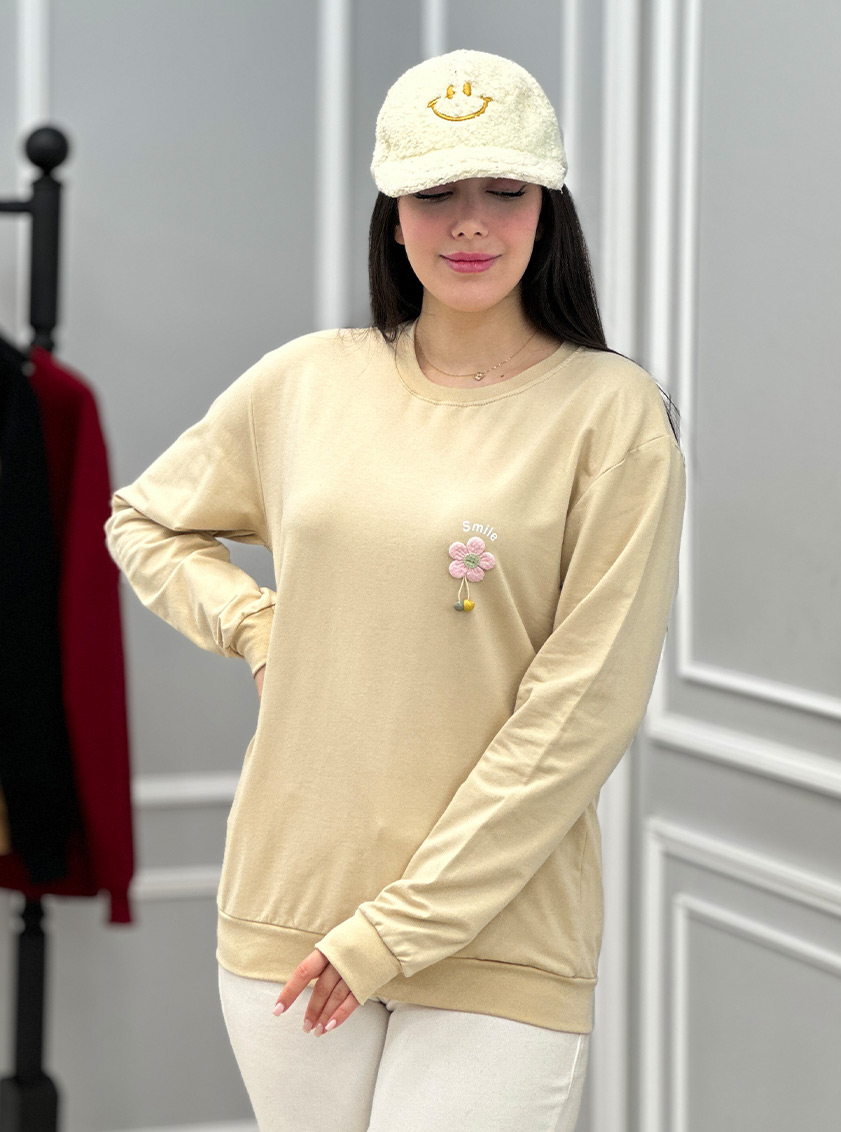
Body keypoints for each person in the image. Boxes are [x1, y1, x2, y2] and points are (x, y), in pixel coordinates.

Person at [105, 48, 685, 1132]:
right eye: (435, 193)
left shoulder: (612, 415)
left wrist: (395, 930)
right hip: (291, 902)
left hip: (498, 928)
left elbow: (581, 707)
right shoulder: (306, 381)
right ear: (393, 211)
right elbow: (144, 518)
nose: (469, 223)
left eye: (503, 190)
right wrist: (258, 627)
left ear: (547, 208)